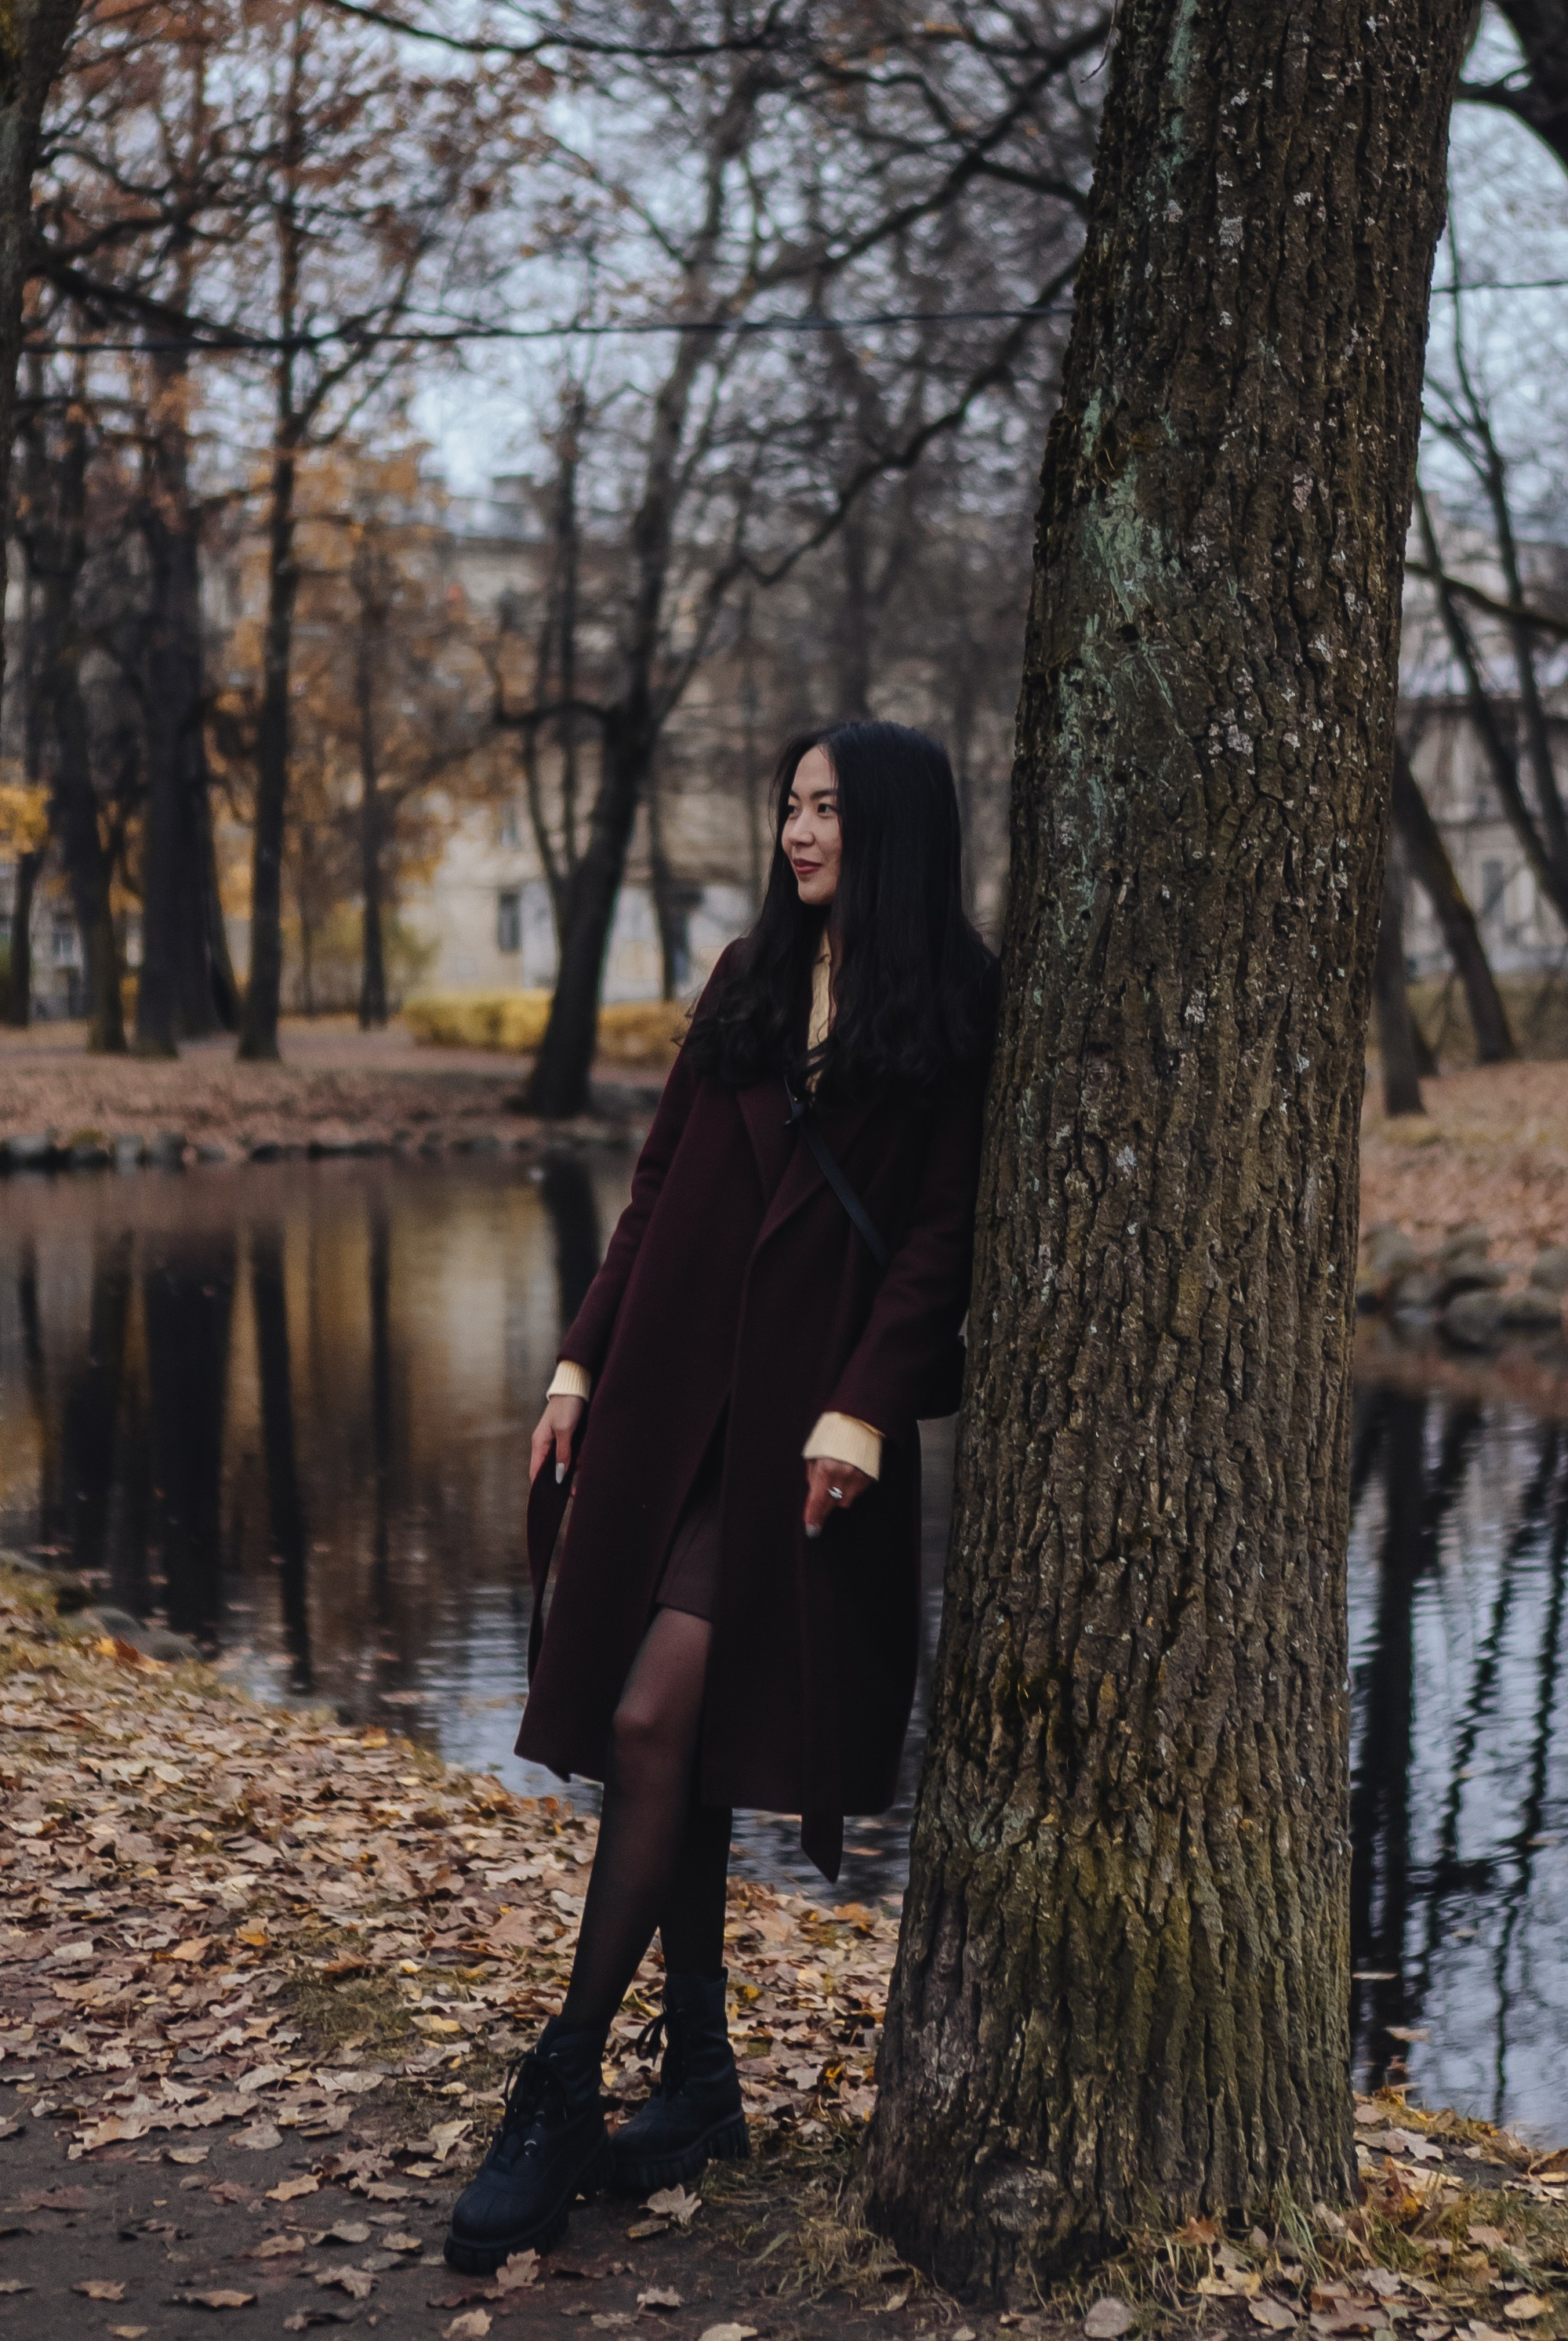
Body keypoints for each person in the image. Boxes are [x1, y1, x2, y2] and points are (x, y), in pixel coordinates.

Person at [445, 721, 999, 2277]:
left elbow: (937, 1242)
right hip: (668, 1409)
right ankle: (692, 2081)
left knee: (650, 1725)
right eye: (791, 804)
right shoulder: (750, 976)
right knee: (657, 1739)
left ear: (889, 827)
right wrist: (572, 1368)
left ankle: (560, 2085)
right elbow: (652, 1191)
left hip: (805, 1440)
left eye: (827, 808)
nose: (799, 828)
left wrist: (865, 1409)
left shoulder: (952, 1005)